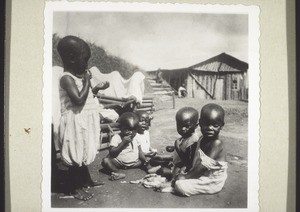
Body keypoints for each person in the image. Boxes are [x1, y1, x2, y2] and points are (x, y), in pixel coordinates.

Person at [57, 35, 105, 201]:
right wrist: (86, 81)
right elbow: (78, 99)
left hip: (84, 120)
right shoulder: (66, 79)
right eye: (85, 60)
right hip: (74, 122)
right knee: (76, 154)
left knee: (84, 150)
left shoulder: (78, 77)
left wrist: (94, 87)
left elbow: (88, 96)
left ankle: (86, 180)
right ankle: (74, 187)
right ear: (71, 59)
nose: (86, 64)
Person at [172, 103, 228, 196]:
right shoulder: (201, 139)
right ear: (200, 123)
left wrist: (186, 176)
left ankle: (174, 186)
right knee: (180, 172)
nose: (210, 128)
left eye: (215, 125)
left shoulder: (217, 143)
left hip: (211, 180)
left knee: (180, 185)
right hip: (201, 174)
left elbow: (203, 166)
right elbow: (194, 158)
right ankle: (180, 181)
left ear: (221, 125)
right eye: (206, 124)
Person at [154, 107, 199, 181]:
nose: (183, 129)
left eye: (187, 126)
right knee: (155, 160)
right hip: (176, 162)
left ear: (196, 125)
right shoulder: (186, 136)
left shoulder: (193, 141)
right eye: (179, 125)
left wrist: (177, 147)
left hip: (183, 166)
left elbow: (188, 162)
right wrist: (174, 148)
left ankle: (172, 178)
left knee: (162, 171)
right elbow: (183, 148)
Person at [101, 112, 148, 180]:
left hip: (134, 163)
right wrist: (123, 143)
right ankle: (117, 172)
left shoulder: (136, 138)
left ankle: (149, 169)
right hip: (120, 163)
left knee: (147, 159)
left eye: (133, 130)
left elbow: (140, 151)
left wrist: (145, 160)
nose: (131, 132)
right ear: (121, 128)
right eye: (127, 129)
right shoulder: (117, 137)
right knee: (105, 161)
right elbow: (112, 152)